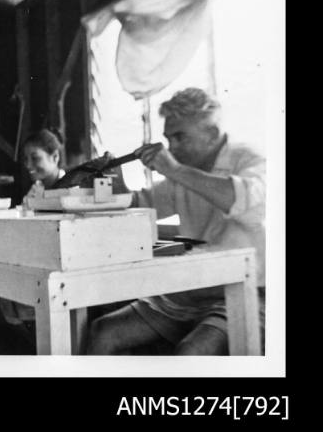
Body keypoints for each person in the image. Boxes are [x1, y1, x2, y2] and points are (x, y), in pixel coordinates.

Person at [86, 87, 266, 355]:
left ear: (213, 134)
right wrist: (115, 179)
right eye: (169, 139)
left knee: (191, 352)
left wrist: (174, 169)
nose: (172, 148)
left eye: (180, 137)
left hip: (244, 291)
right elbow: (139, 204)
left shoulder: (249, 158)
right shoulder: (181, 173)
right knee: (103, 332)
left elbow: (244, 201)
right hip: (192, 289)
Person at [0, 128, 66, 350]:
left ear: (55, 157)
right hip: (39, 258)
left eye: (35, 158)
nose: (28, 165)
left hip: (61, 265)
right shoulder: (36, 190)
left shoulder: (70, 188)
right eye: (26, 159)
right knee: (4, 297)